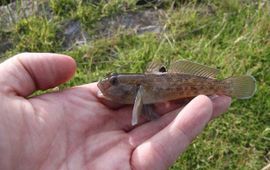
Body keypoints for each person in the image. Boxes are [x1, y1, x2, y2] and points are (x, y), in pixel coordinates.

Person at [0, 53, 231, 170]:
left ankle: (225, 87)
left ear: (132, 86)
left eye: (115, 82)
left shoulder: (142, 87)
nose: (108, 84)